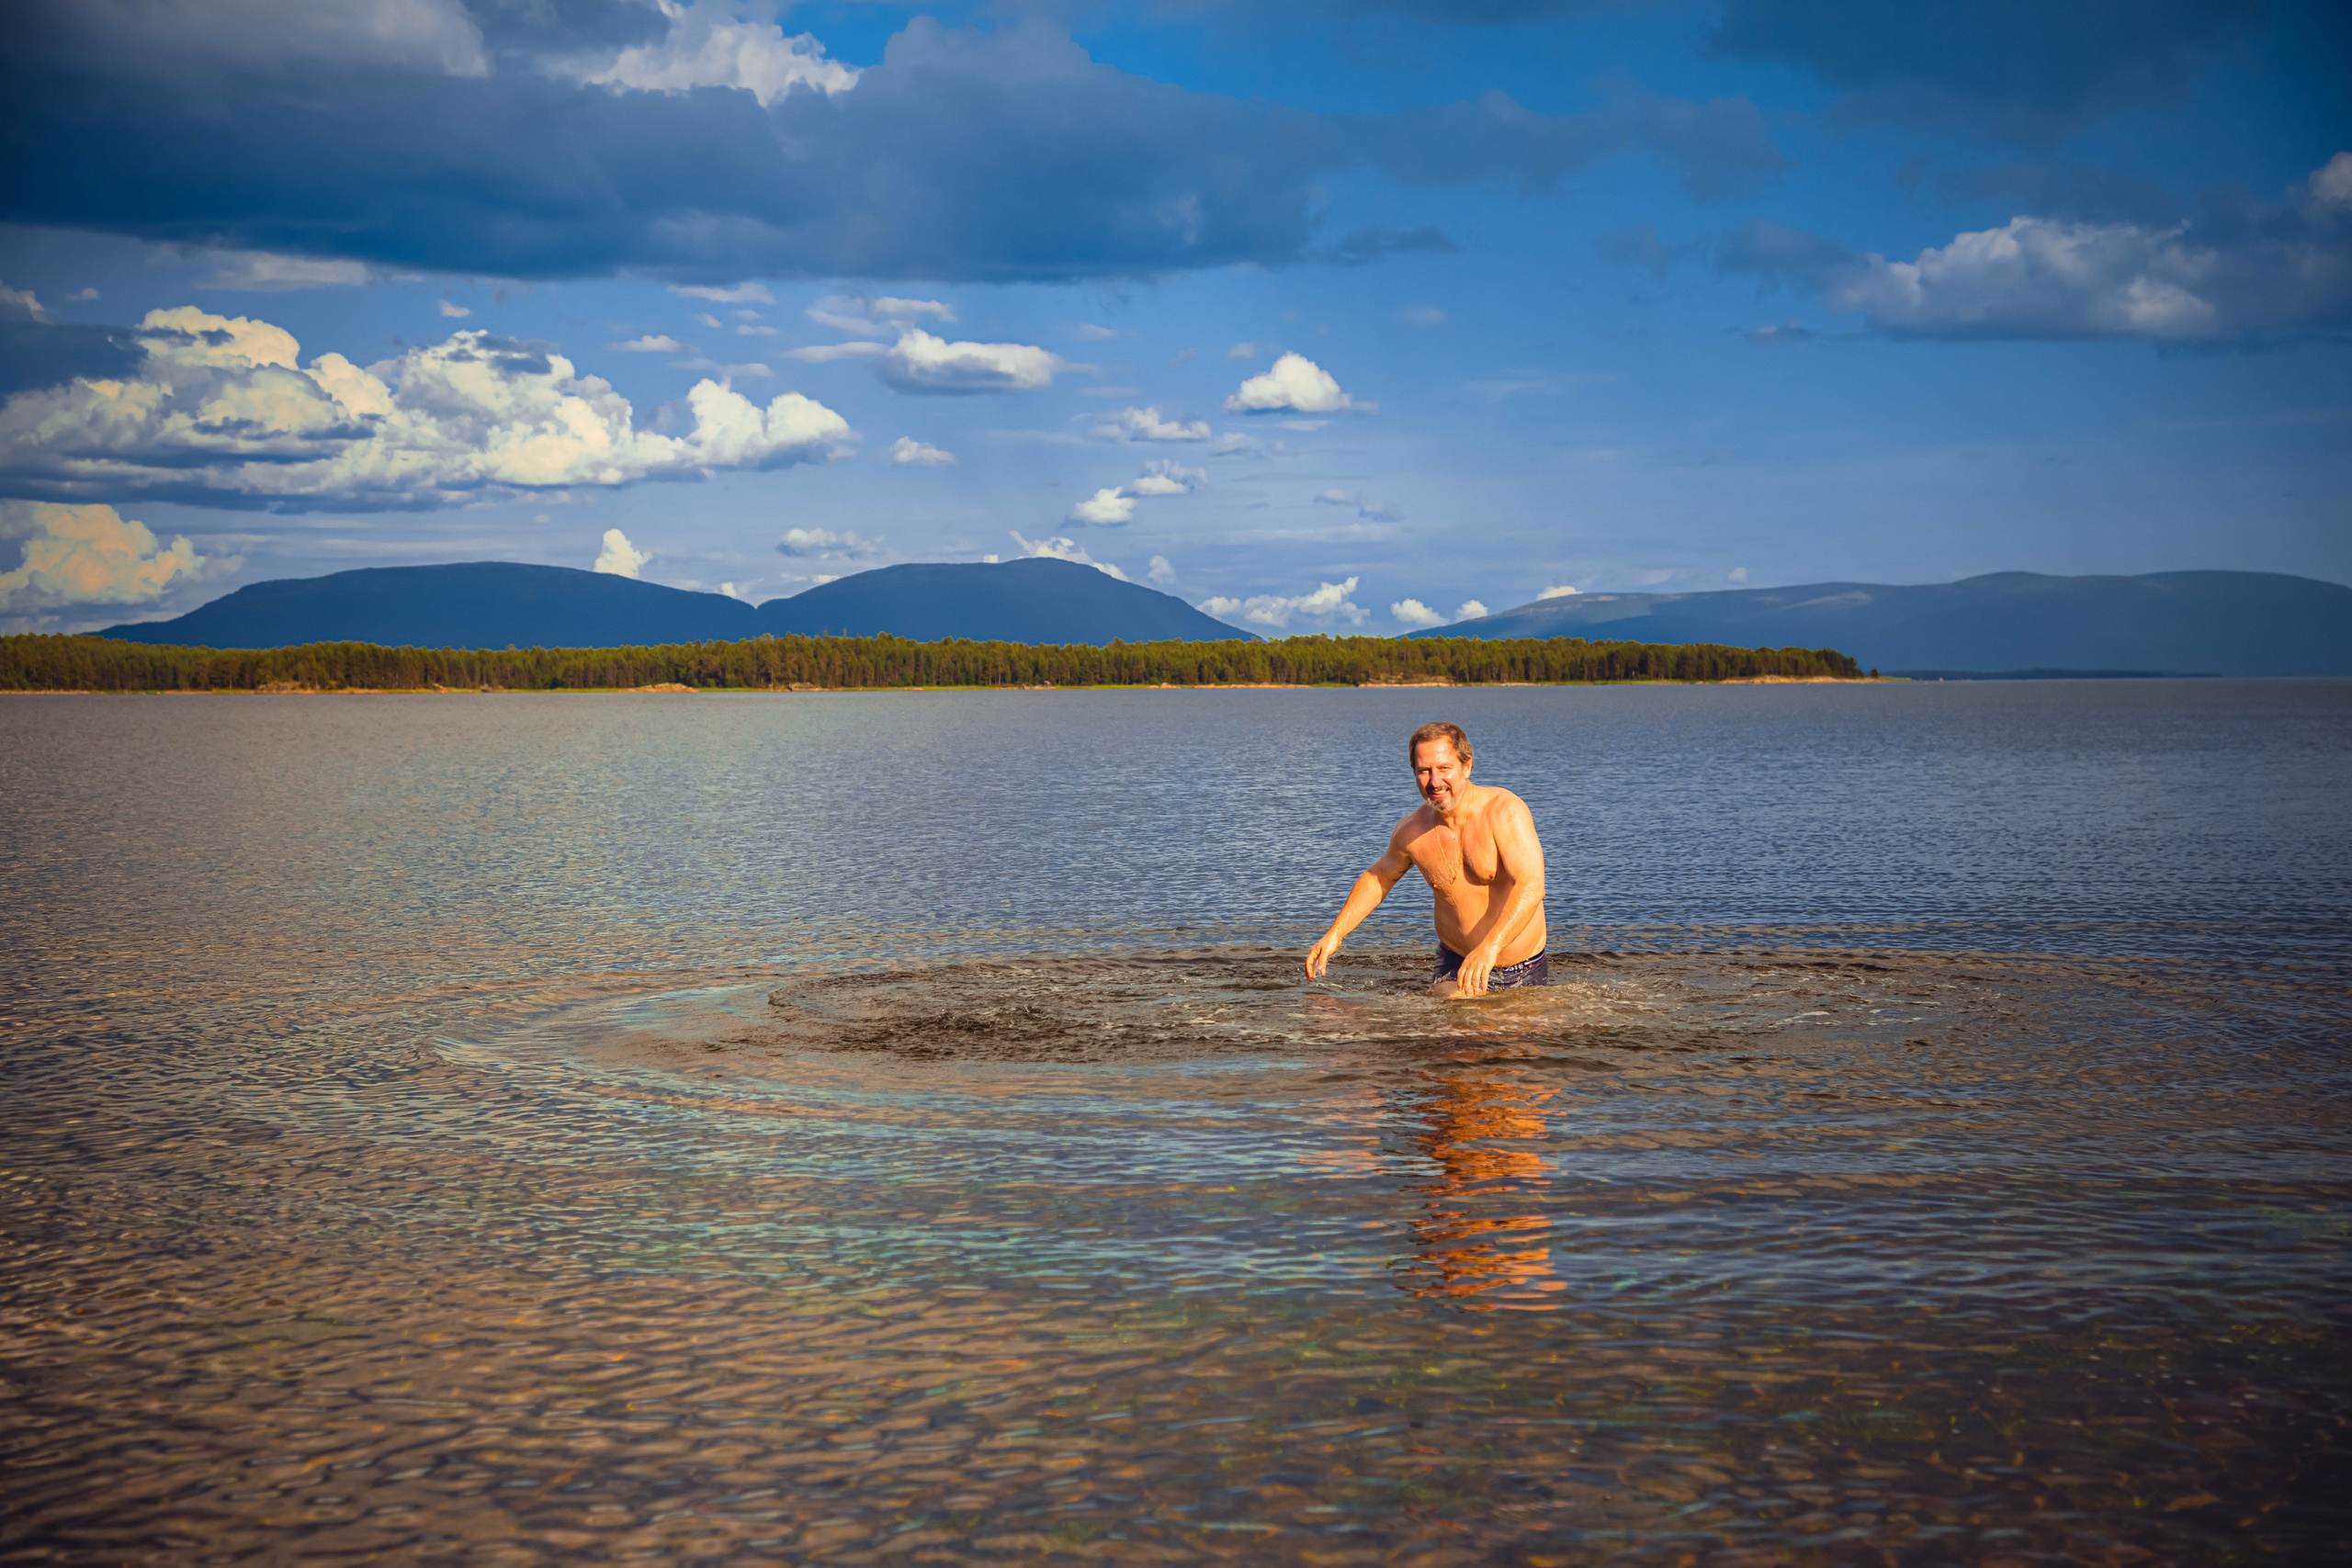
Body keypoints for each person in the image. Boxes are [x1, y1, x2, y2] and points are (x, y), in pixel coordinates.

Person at [1304, 721, 1548, 996]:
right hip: (1456, 965)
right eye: (1424, 771)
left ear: (1466, 767)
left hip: (1523, 968)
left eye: (1444, 769)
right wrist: (1336, 933)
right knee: (1459, 1013)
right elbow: (1379, 877)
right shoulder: (1411, 831)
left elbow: (1531, 885)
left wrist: (1489, 947)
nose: (1434, 782)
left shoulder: (1504, 811)